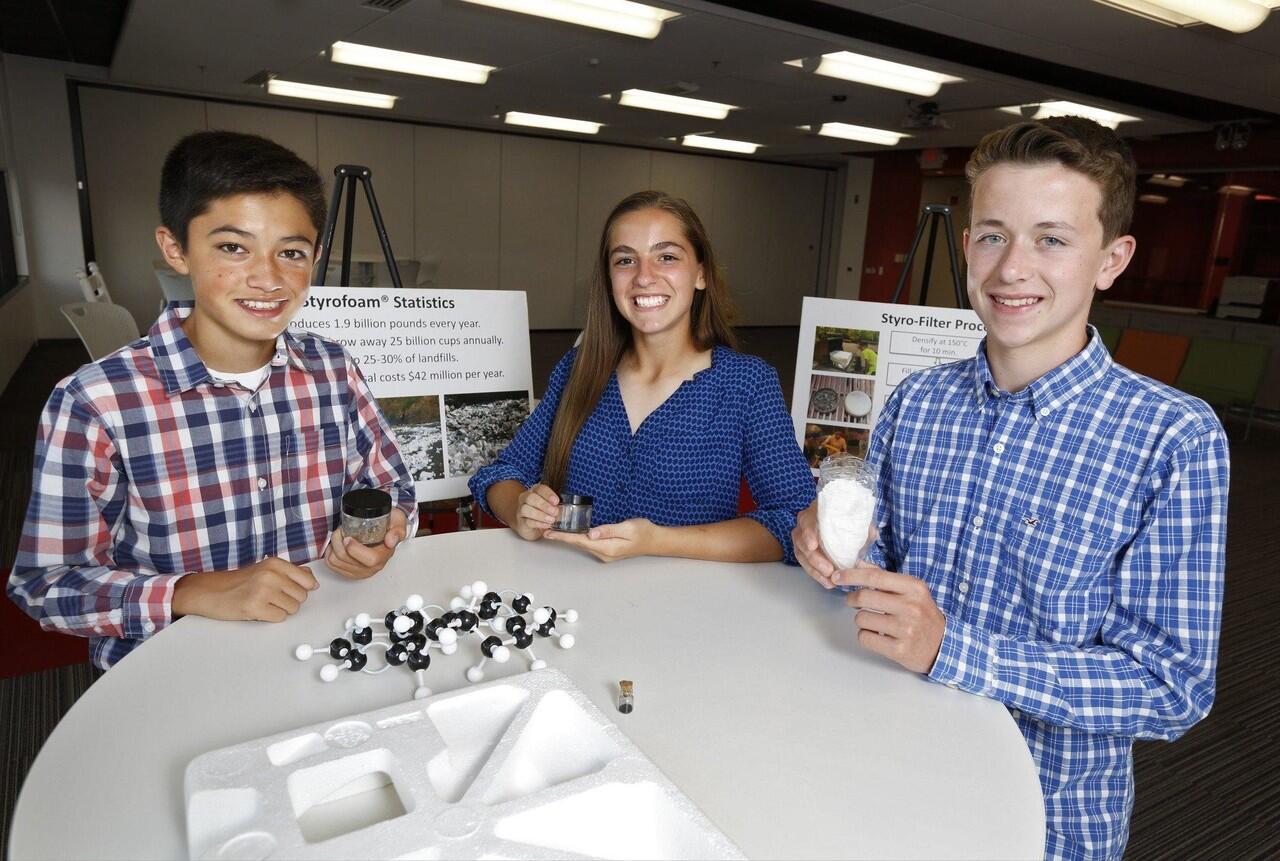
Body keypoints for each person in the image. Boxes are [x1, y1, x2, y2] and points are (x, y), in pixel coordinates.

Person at [793, 117, 1228, 860]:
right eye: (993, 235)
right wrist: (835, 547)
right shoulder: (918, 400)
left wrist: (952, 648)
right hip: (884, 763)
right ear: (966, 246)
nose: (1011, 269)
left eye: (1052, 239)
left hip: (1041, 816)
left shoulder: (1174, 438)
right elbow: (882, 560)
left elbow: (1169, 686)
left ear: (1111, 260)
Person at [8, 131, 417, 670]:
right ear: (176, 248)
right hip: (178, 669)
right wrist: (192, 592)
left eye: (291, 253)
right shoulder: (96, 402)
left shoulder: (332, 369)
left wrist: (375, 537)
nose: (268, 278)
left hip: (324, 648)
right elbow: (46, 584)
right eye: (232, 247)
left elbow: (392, 488)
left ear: (314, 259)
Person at [469, 190, 814, 564]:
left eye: (666, 257)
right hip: (570, 601)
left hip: (686, 606)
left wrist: (657, 540)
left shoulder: (746, 384)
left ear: (700, 274)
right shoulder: (579, 369)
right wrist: (520, 507)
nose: (644, 277)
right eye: (625, 260)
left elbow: (794, 521)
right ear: (609, 278)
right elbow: (501, 474)